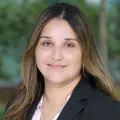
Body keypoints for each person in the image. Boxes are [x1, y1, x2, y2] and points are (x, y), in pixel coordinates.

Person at [4, 2, 120, 120]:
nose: (56, 56)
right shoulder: (15, 109)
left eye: (69, 45)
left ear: (85, 52)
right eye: (47, 43)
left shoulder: (109, 113)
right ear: (34, 49)